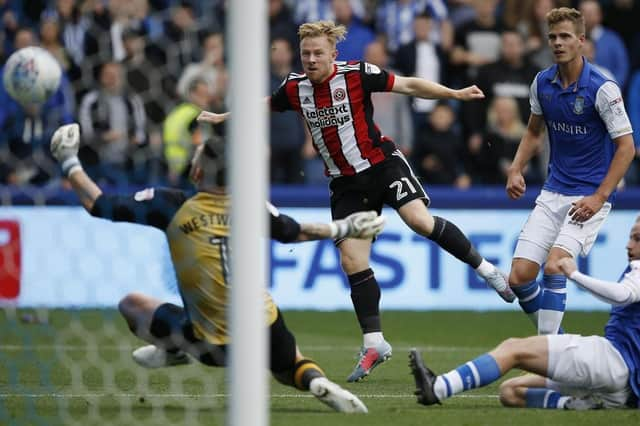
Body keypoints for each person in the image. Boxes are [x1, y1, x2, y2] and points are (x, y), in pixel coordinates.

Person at [197, 20, 514, 383]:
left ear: (334, 54)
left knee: (419, 221)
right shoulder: (295, 88)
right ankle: (375, 343)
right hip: (346, 185)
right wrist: (224, 115)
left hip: (382, 166)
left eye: (318, 53)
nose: (312, 59)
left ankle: (488, 271)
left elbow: (408, 85)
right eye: (306, 54)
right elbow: (264, 104)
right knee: (351, 260)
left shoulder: (358, 74)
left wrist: (454, 94)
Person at [49, 123, 386, 413]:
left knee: (131, 304)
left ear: (197, 172)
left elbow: (98, 204)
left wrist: (69, 160)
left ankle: (175, 349)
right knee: (289, 364)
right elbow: (294, 231)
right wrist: (344, 228)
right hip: (264, 323)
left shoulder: (171, 204)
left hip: (210, 341)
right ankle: (315, 380)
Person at [409, 215, 640, 410]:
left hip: (614, 362)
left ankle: (438, 387)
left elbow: (623, 295)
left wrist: (574, 275)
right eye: (631, 237)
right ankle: (577, 404)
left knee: (512, 349)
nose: (629, 245)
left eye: (637, 239)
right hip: (622, 386)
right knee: (510, 392)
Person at [505, 7, 635, 336]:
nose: (558, 43)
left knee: (555, 266)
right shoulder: (542, 83)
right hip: (553, 191)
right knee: (518, 277)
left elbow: (627, 148)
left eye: (565, 36)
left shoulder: (602, 88)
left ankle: (550, 359)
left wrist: (599, 196)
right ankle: (559, 344)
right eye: (552, 37)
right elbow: (534, 132)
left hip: (588, 195)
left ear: (581, 41)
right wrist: (516, 168)